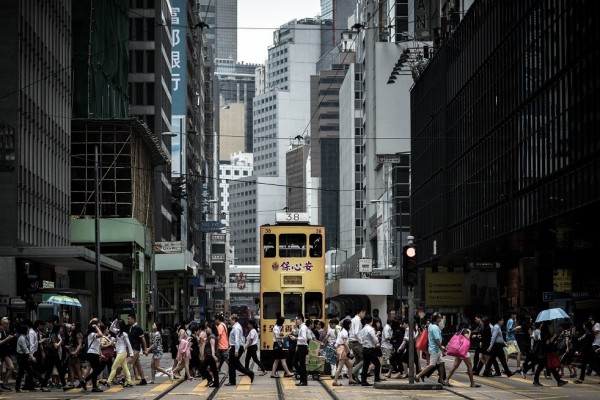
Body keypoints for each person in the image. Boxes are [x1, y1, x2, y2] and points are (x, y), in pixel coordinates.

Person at [532, 322, 567, 387]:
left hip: (546, 352)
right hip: (544, 353)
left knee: (550, 367)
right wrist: (554, 336)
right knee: (543, 367)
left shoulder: (545, 332)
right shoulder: (545, 333)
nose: (552, 327)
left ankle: (559, 381)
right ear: (547, 326)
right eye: (551, 326)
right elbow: (547, 342)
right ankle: (536, 380)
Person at [15, 322, 47, 392]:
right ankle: (43, 383)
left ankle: (34, 385)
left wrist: (30, 355)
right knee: (28, 372)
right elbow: (25, 349)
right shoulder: (22, 338)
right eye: (27, 329)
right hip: (22, 357)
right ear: (25, 330)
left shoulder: (25, 337)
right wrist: (32, 356)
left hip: (24, 357)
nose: (28, 330)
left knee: (27, 372)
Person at [416, 312, 446, 383]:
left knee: (441, 363)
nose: (440, 319)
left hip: (435, 349)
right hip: (435, 350)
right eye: (439, 318)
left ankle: (441, 379)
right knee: (432, 365)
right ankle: (418, 376)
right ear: (437, 318)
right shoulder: (435, 327)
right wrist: (442, 350)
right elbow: (436, 340)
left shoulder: (431, 326)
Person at [225, 314, 254, 386]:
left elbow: (237, 340)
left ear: (234, 320)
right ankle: (233, 380)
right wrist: (231, 347)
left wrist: (236, 351)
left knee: (233, 365)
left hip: (236, 347)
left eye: (230, 320)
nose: (229, 321)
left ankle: (248, 373)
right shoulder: (236, 327)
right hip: (235, 347)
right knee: (234, 364)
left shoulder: (236, 328)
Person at [106, 319, 134, 388]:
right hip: (120, 352)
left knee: (114, 367)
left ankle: (108, 381)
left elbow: (128, 344)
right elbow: (111, 328)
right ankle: (129, 382)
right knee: (125, 367)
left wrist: (131, 353)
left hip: (122, 352)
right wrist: (114, 322)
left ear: (120, 325)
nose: (116, 325)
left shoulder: (124, 334)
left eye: (118, 324)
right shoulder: (118, 332)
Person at [332, 319, 359, 386]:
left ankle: (350, 379)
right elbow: (345, 343)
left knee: (350, 365)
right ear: (347, 325)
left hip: (341, 349)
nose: (350, 326)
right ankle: (335, 381)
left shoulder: (342, 330)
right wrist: (349, 352)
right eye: (350, 324)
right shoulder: (345, 332)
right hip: (343, 349)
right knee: (340, 366)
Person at [80, 320, 104, 392]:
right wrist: (96, 327)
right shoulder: (91, 334)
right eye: (98, 324)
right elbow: (101, 334)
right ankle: (93, 386)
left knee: (97, 370)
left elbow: (98, 345)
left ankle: (86, 382)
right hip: (92, 354)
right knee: (97, 370)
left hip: (95, 354)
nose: (99, 325)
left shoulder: (94, 334)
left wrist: (100, 354)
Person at [359, 315, 383, 386]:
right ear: (371, 321)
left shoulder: (363, 329)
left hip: (364, 349)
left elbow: (361, 338)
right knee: (377, 363)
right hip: (370, 349)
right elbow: (374, 339)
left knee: (365, 365)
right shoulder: (370, 329)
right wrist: (377, 341)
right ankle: (377, 379)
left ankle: (363, 381)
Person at [127, 314, 148, 385]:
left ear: (133, 319)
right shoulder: (131, 328)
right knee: (138, 365)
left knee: (128, 363)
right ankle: (143, 380)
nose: (128, 320)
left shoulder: (138, 328)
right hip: (132, 348)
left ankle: (126, 381)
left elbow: (143, 339)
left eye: (129, 319)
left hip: (135, 349)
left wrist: (145, 349)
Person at [348, 308, 366, 381]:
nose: (364, 315)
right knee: (365, 358)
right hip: (356, 342)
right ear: (360, 312)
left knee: (358, 360)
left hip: (351, 342)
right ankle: (353, 372)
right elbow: (356, 333)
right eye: (364, 313)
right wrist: (361, 341)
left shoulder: (352, 319)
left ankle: (355, 378)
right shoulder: (358, 320)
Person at [200, 323, 219, 387]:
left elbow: (212, 347)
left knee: (202, 367)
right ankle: (216, 383)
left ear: (210, 328)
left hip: (210, 355)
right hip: (210, 355)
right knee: (214, 369)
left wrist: (213, 355)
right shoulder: (211, 336)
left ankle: (210, 379)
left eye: (207, 328)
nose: (206, 329)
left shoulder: (211, 337)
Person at [292, 314, 308, 386]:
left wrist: (295, 338)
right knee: (294, 362)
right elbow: (296, 333)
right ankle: (302, 375)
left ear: (301, 319)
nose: (296, 321)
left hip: (302, 347)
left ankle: (303, 381)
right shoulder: (300, 327)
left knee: (302, 364)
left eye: (297, 319)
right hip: (300, 347)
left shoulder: (303, 328)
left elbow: (304, 338)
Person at [0, 317, 16, 391]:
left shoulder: (5, 332)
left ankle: (4, 383)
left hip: (6, 353)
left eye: (8, 324)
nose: (7, 325)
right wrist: (7, 339)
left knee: (11, 368)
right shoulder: (1, 331)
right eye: (6, 324)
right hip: (2, 354)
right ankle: (3, 384)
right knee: (2, 370)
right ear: (2, 324)